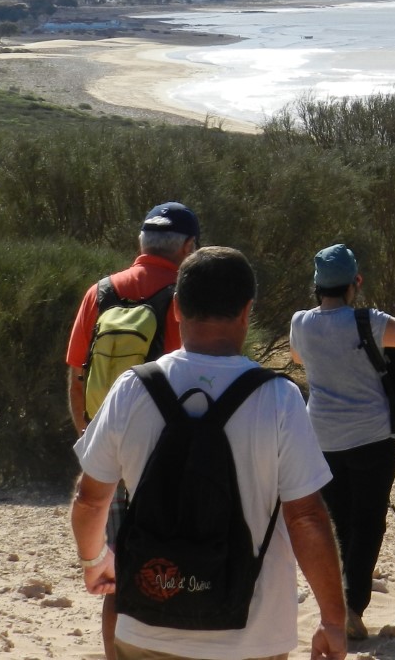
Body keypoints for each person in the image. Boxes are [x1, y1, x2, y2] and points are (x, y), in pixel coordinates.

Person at [71, 245, 348, 660]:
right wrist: (333, 620)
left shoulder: (131, 388)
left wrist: (94, 561)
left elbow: (91, 499)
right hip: (252, 638)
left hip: (147, 626)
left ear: (177, 308)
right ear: (246, 311)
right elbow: (306, 517)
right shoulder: (279, 398)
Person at [64, 201, 201, 660]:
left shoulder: (99, 293)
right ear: (188, 247)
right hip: (167, 457)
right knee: (177, 567)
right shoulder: (186, 297)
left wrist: (92, 441)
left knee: (117, 578)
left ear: (140, 244)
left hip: (111, 455)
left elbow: (77, 377)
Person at [288, 244, 395, 641]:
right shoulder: (367, 321)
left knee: (336, 522)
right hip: (372, 437)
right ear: (356, 282)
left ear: (317, 285)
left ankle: (333, 605)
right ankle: (352, 608)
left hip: (322, 437)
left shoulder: (300, 322)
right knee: (368, 522)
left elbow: (299, 359)